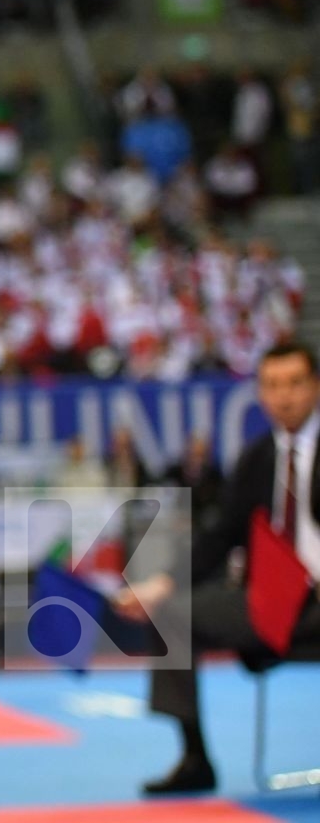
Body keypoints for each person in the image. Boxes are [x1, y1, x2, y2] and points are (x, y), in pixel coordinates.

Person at [118, 340, 320, 795]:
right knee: (170, 614)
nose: (284, 396)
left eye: (295, 383)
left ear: (316, 387)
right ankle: (194, 758)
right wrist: (163, 584)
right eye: (272, 385)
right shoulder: (256, 460)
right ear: (260, 394)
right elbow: (219, 534)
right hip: (273, 604)